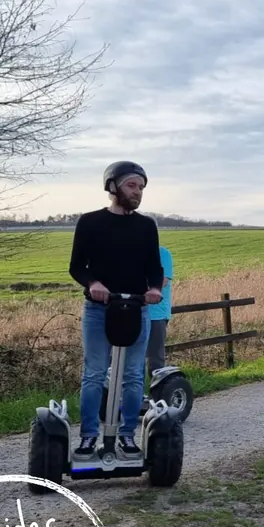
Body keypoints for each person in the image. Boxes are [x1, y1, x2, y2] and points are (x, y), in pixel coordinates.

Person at [68, 160, 164, 456]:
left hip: (136, 308)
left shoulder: (146, 226)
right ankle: (87, 436)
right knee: (95, 372)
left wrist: (155, 289)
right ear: (113, 187)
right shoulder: (90, 222)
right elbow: (76, 267)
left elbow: (154, 267)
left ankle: (126, 435)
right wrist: (93, 283)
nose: (138, 192)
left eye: (141, 187)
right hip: (99, 309)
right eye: (132, 185)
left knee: (134, 375)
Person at [146, 245, 173, 375]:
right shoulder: (132, 250)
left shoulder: (162, 253)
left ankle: (158, 391)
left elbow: (163, 281)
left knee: (155, 358)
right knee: (134, 359)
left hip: (156, 313)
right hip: (134, 312)